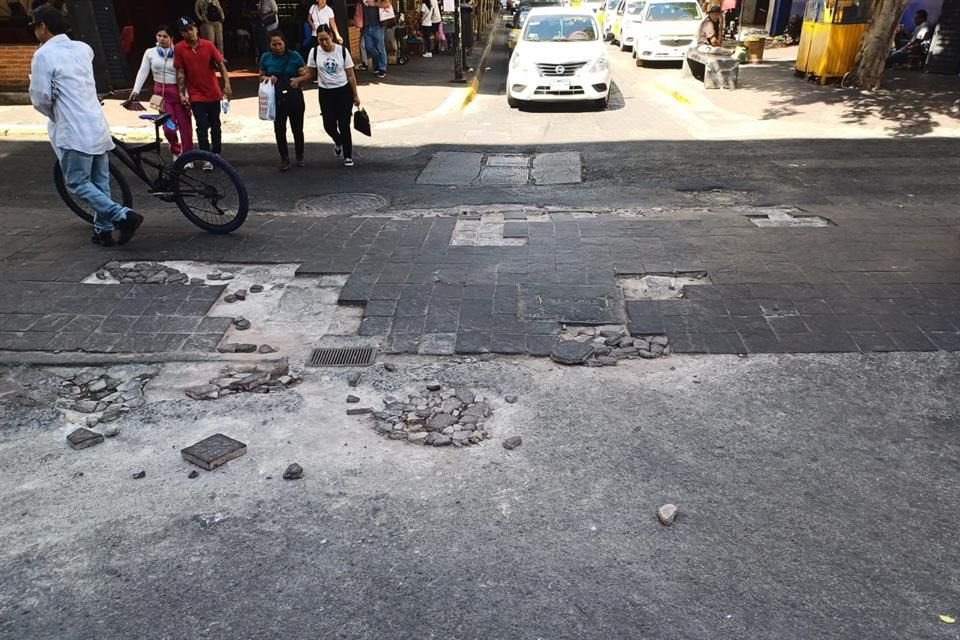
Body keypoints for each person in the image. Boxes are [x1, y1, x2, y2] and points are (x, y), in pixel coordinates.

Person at [28, 7, 143, 246]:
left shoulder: (43, 55)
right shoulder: (83, 49)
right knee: (99, 181)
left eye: (35, 26)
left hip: (73, 130)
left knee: (77, 182)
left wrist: (56, 115)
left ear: (43, 27)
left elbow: (40, 98)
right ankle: (103, 230)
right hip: (97, 124)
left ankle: (122, 215)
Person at [296, 24, 360, 166]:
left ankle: (348, 155)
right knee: (329, 124)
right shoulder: (314, 53)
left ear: (331, 36)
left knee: (344, 124)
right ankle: (338, 141)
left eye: (326, 39)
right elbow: (311, 73)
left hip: (343, 91)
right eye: (321, 40)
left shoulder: (342, 51)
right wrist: (301, 76)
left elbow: (350, 75)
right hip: (325, 92)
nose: (324, 43)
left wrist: (355, 95)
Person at [175, 16, 233, 171]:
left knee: (215, 124)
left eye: (191, 29)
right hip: (196, 94)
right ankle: (206, 156)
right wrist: (181, 94)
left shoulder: (208, 45)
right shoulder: (180, 49)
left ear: (196, 29)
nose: (189, 33)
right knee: (201, 126)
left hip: (213, 92)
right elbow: (180, 72)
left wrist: (227, 85)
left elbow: (221, 65)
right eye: (185, 31)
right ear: (182, 33)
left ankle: (216, 152)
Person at [129, 25, 194, 163]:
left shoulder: (179, 52)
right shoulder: (150, 53)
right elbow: (143, 71)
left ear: (172, 39)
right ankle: (176, 151)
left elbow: (187, 75)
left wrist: (187, 94)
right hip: (162, 96)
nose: (162, 39)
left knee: (185, 127)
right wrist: (136, 90)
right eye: (159, 36)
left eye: (165, 36)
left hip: (179, 92)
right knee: (168, 128)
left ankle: (188, 157)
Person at [260, 30, 306, 171]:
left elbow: (306, 73)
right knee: (279, 129)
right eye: (274, 45)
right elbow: (261, 76)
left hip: (294, 96)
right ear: (269, 45)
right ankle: (284, 158)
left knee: (297, 128)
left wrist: (298, 79)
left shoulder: (295, 56)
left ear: (285, 43)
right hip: (276, 98)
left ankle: (299, 156)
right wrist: (268, 78)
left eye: (280, 44)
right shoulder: (266, 57)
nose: (278, 47)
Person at [362, 0, 392, 78]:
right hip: (367, 25)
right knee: (368, 47)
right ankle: (378, 64)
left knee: (380, 47)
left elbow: (387, 3)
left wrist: (374, 4)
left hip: (378, 25)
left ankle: (382, 68)